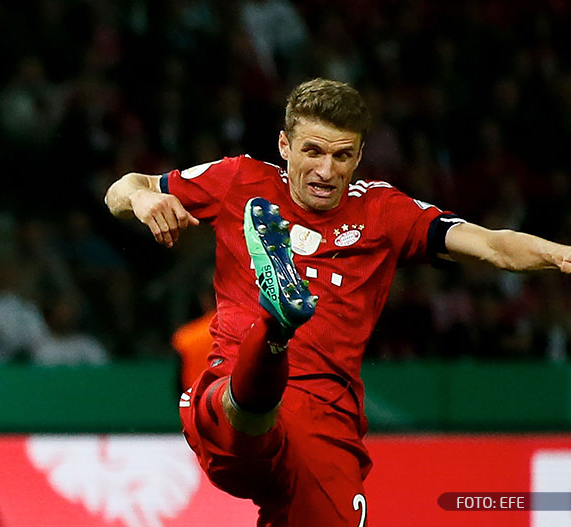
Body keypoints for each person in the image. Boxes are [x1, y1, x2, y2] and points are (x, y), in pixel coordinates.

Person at [104, 78, 571, 526]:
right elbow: (121, 189)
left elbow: (492, 245)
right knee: (246, 410)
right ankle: (277, 324)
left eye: (342, 155)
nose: (327, 171)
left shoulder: (385, 212)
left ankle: (276, 322)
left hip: (326, 425)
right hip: (232, 400)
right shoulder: (239, 180)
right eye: (313, 151)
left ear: (360, 156)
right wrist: (144, 202)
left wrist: (561, 254)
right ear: (285, 146)